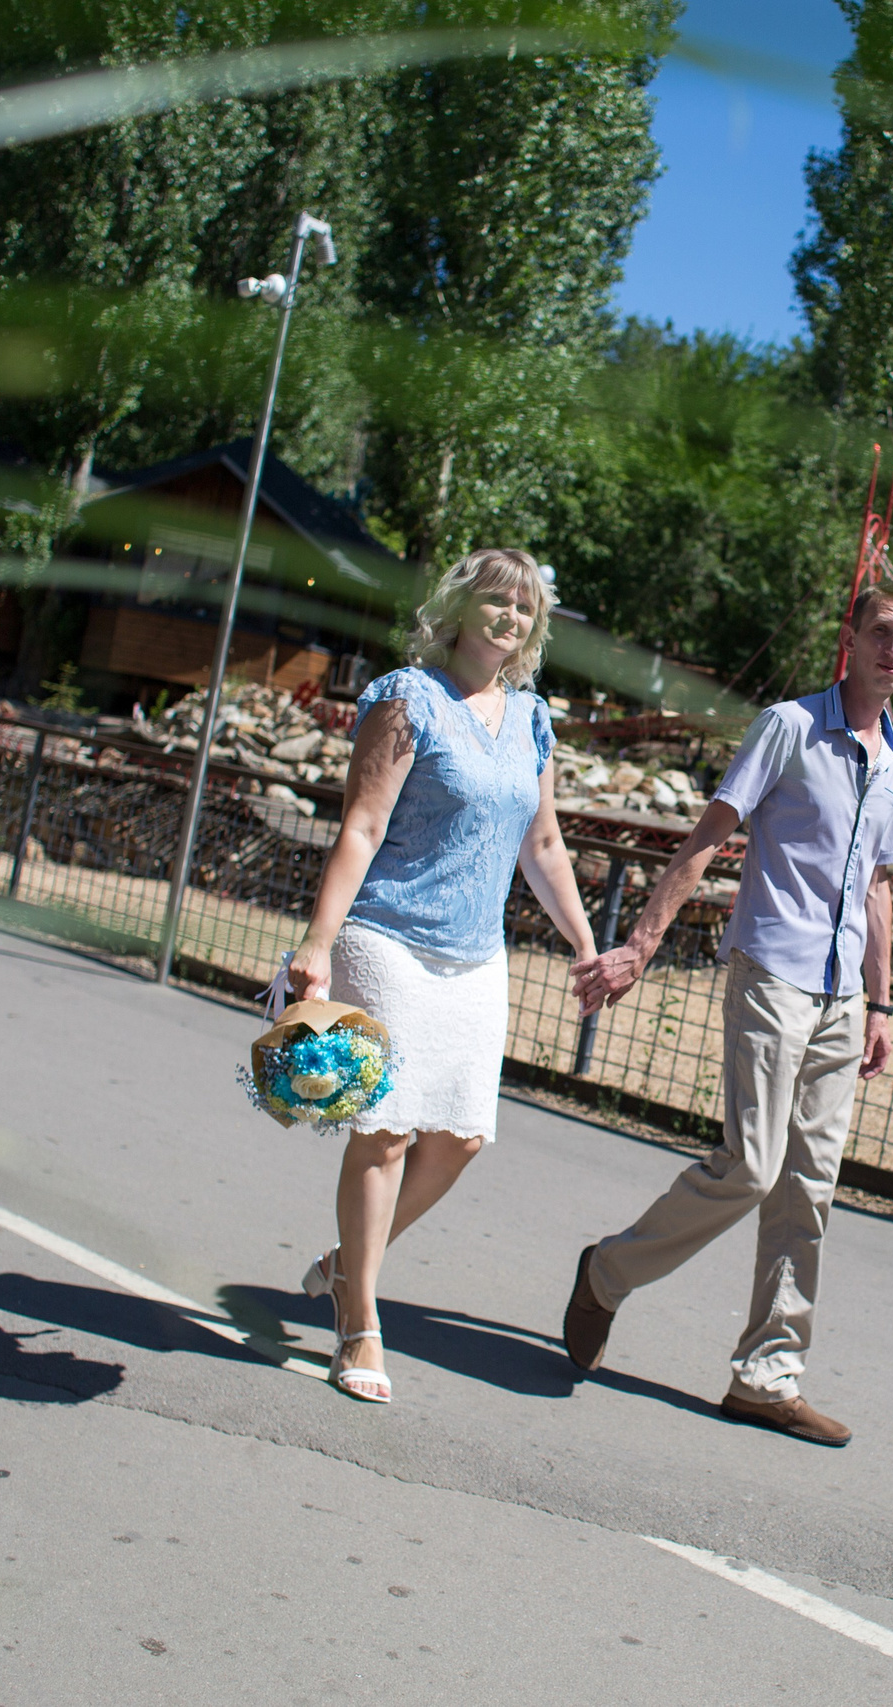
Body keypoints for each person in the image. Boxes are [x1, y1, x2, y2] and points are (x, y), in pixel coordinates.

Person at [563, 581, 893, 1446]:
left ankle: (768, 1375)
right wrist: (642, 943)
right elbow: (709, 835)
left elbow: (879, 888)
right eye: (879, 628)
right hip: (772, 967)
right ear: (852, 636)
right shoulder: (790, 726)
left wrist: (881, 1002)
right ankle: (607, 1272)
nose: (891, 645)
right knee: (755, 1166)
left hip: (844, 995)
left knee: (811, 1187)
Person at [286, 547, 601, 1403]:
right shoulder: (406, 698)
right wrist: (318, 940)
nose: (508, 618)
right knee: (385, 1129)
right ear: (459, 609)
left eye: (524, 608)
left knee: (459, 1137)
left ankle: (347, 1261)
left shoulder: (533, 719)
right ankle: (359, 1321)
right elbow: (362, 824)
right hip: (386, 936)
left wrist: (581, 942)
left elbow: (543, 847)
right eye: (495, 602)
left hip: (476, 956)